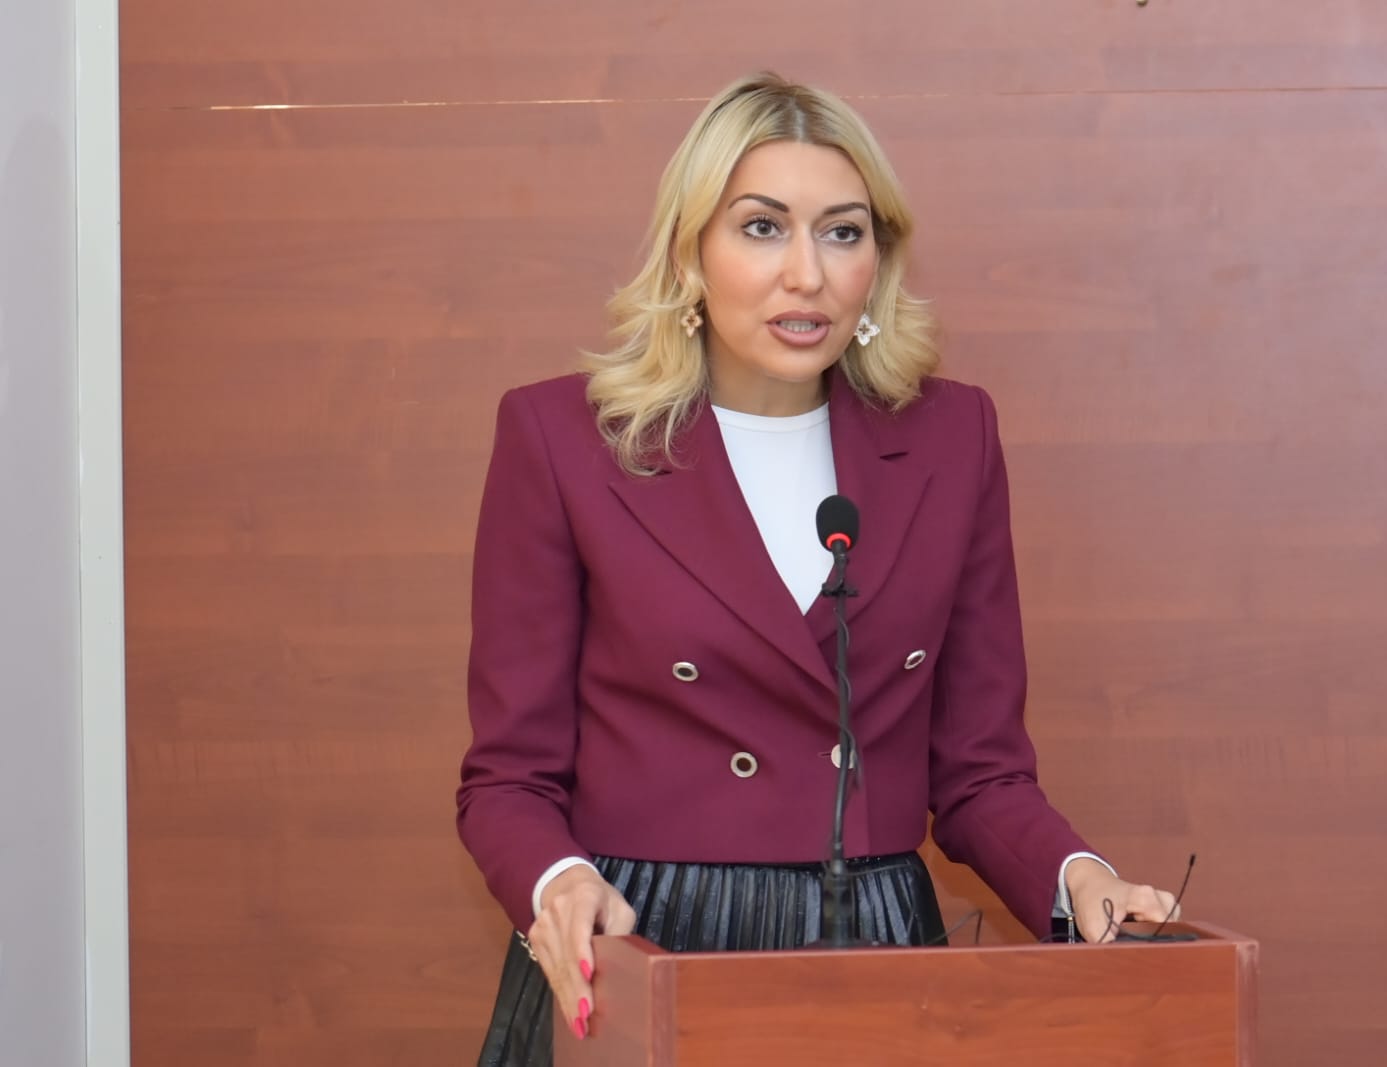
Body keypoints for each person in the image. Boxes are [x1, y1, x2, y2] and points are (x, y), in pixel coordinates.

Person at [457, 71, 1180, 1067]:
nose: (807, 274)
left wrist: (1076, 875)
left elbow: (979, 770)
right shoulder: (562, 439)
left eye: (843, 232)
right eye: (762, 228)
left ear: (876, 262)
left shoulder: (953, 437)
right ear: (690, 252)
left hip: (873, 941)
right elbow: (508, 779)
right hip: (643, 938)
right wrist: (557, 881)